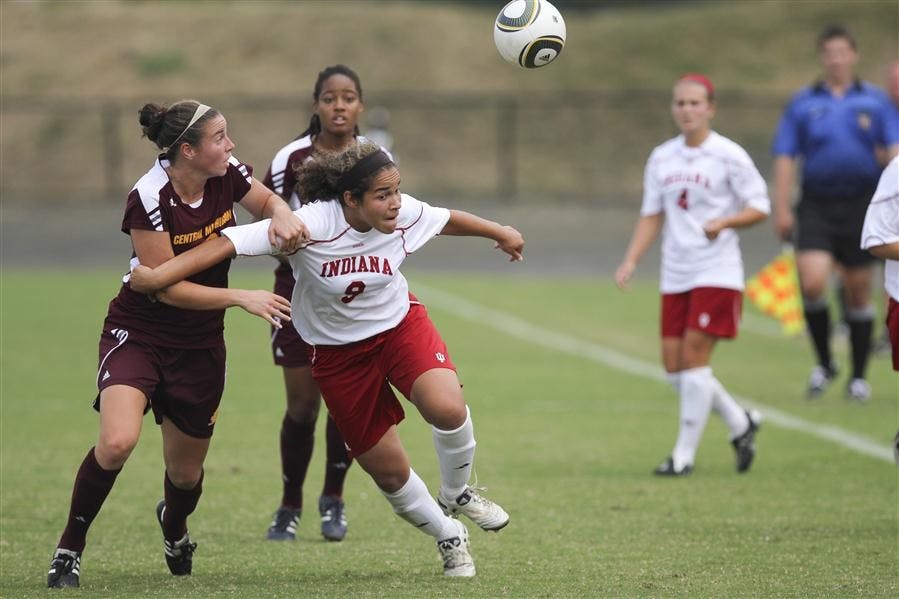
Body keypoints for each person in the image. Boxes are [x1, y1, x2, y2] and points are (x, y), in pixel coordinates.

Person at [129, 140, 523, 577]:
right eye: (382, 195)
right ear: (350, 200)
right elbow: (229, 242)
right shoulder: (309, 225)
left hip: (398, 326)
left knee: (447, 406)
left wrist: (500, 231)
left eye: (397, 191)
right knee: (390, 475)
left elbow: (448, 219)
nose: (396, 203)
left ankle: (458, 492)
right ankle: (448, 533)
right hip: (338, 355)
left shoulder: (403, 212)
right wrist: (160, 275)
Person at [46, 100, 306, 588]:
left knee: (185, 476)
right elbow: (164, 287)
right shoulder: (147, 196)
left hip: (199, 345)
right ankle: (68, 550)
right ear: (187, 150)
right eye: (219, 137)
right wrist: (240, 297)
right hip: (140, 331)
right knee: (118, 441)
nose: (230, 146)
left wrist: (283, 214)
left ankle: (174, 526)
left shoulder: (227, 172)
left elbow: (268, 202)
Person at [614, 74, 770, 476]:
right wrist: (631, 260)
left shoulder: (728, 155)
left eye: (695, 103)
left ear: (711, 108)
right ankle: (740, 422)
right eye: (680, 103)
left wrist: (727, 221)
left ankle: (682, 457)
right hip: (676, 271)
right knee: (675, 368)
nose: (686, 110)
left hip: (716, 270)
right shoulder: (662, 156)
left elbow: (760, 206)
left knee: (695, 361)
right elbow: (653, 214)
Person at [261, 65, 382, 543]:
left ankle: (333, 497)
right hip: (295, 294)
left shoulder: (374, 156)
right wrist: (291, 242)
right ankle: (289, 505)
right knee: (302, 407)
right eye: (330, 98)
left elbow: (388, 215)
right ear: (316, 104)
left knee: (344, 404)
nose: (339, 106)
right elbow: (268, 220)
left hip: (355, 295)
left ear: (360, 106)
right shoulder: (290, 158)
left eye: (348, 97)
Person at [771, 25, 899, 402]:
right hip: (816, 204)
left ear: (853, 55)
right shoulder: (802, 103)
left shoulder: (875, 102)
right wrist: (781, 206)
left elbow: (893, 150)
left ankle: (858, 377)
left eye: (843, 52)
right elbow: (785, 156)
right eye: (829, 53)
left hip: (861, 204)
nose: (837, 59)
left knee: (859, 292)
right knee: (812, 282)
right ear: (822, 58)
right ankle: (825, 362)